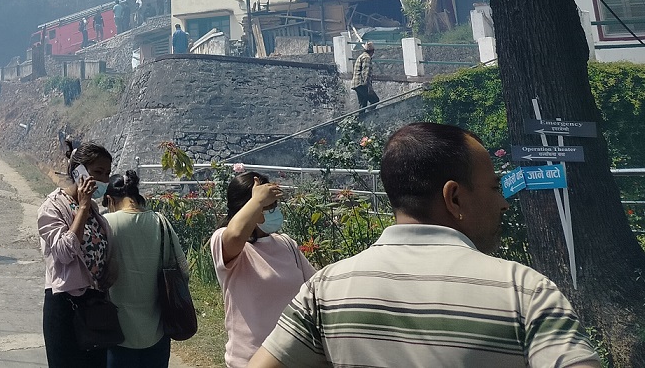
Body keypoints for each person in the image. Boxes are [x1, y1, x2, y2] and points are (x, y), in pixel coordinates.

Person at [249, 122, 600, 368]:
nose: (504, 203)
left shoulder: (324, 289)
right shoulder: (526, 292)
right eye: (495, 188)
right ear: (454, 198)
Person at [209, 169, 314, 368]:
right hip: (249, 361)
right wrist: (257, 201)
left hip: (294, 358)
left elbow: (315, 286)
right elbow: (236, 234)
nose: (274, 210)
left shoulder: (286, 244)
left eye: (274, 204)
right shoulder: (224, 242)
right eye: (268, 205)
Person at [37, 139, 114, 368]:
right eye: (98, 172)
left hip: (94, 305)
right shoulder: (53, 207)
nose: (104, 180)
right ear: (78, 171)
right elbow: (64, 252)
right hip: (64, 308)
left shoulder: (94, 210)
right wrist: (81, 207)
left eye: (108, 173)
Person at [103, 169, 188, 368]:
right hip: (157, 330)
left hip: (117, 331)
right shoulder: (161, 222)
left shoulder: (106, 223)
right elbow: (183, 270)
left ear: (109, 199)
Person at [350, 42, 379, 109]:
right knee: (375, 100)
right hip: (361, 84)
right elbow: (366, 73)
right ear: (372, 51)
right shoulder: (367, 58)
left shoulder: (361, 56)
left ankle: (360, 118)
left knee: (362, 104)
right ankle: (370, 116)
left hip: (356, 84)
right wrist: (368, 87)